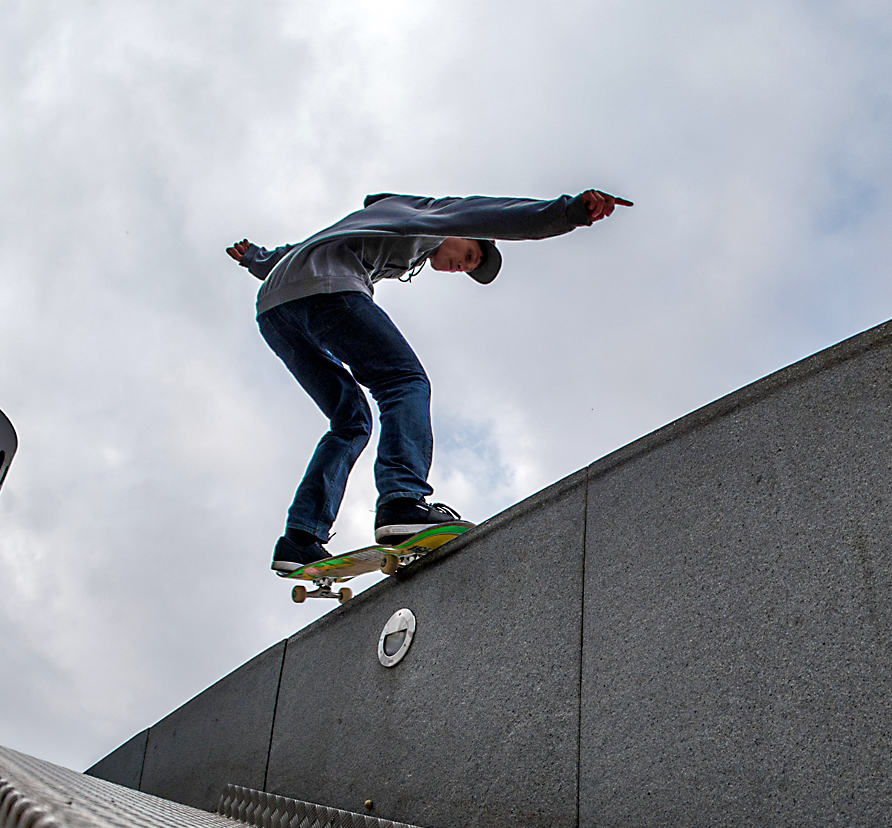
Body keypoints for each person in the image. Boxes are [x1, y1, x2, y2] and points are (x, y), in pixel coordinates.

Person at [227, 188, 632, 571]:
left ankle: (300, 538)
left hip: (275, 310)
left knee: (350, 421)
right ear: (458, 231)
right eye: (471, 253)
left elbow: (300, 251)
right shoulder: (427, 214)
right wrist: (570, 212)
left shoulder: (380, 226)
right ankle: (402, 502)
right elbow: (496, 213)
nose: (464, 264)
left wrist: (256, 260)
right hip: (325, 291)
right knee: (405, 382)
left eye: (469, 267)